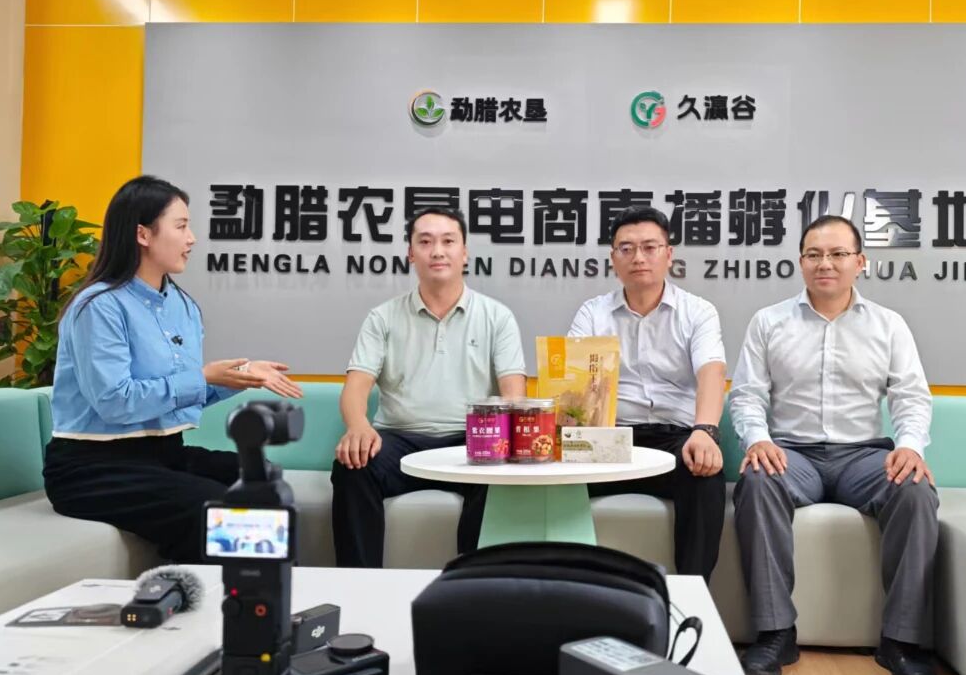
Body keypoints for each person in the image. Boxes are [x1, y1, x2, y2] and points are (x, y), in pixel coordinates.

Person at [729, 215, 941, 675]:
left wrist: (910, 447)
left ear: (860, 262)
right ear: (800, 261)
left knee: (915, 490)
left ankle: (901, 641)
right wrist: (758, 439)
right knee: (758, 481)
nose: (825, 263)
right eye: (814, 254)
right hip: (792, 454)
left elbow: (911, 396)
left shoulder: (888, 325)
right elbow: (746, 395)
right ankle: (775, 633)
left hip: (862, 457)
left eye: (838, 254)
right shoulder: (769, 322)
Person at [44, 175, 302, 562]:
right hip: (91, 467)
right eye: (181, 226)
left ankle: (272, 591)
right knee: (214, 508)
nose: (192, 239)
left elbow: (177, 396)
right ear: (143, 234)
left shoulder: (183, 306)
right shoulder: (98, 307)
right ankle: (197, 593)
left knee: (264, 477)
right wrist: (203, 377)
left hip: (162, 453)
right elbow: (115, 402)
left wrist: (240, 376)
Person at [331, 207, 527, 567]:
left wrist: (500, 439)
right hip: (399, 440)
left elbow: (513, 392)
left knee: (499, 474)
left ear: (464, 253)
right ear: (410, 254)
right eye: (425, 242)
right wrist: (358, 426)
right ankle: (359, 580)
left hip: (472, 441)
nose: (437, 251)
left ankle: (472, 583)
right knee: (353, 467)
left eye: (448, 241)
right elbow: (356, 386)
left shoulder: (497, 316)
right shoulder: (382, 317)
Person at [568, 207, 727, 580]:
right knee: (548, 475)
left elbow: (712, 372)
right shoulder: (592, 313)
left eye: (650, 247)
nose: (638, 257)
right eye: (626, 249)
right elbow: (574, 383)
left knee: (704, 474)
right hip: (610, 439)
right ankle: (566, 590)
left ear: (669, 254)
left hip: (676, 439)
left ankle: (692, 593)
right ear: (613, 259)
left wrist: (705, 431)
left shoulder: (697, 312)